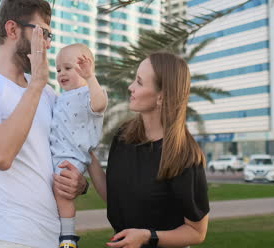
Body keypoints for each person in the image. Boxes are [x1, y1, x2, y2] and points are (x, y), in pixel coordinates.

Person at [0, 0, 87, 248]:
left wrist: (79, 183)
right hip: (11, 237)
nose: (47, 44)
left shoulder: (49, 94)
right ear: (12, 29)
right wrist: (36, 83)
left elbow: (63, 152)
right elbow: (0, 156)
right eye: (42, 34)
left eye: (50, 36)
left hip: (56, 236)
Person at [88, 52, 210, 248]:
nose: (130, 87)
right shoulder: (123, 136)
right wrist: (86, 155)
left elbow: (197, 232)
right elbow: (115, 198)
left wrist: (148, 236)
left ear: (161, 97)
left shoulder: (185, 157)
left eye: (139, 82)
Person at [50, 44, 108, 247]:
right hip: (58, 152)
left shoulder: (88, 93)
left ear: (86, 68)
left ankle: (68, 237)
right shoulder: (60, 97)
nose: (61, 74)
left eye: (68, 68)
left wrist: (91, 78)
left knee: (62, 192)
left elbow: (100, 105)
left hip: (73, 155)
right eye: (58, 70)